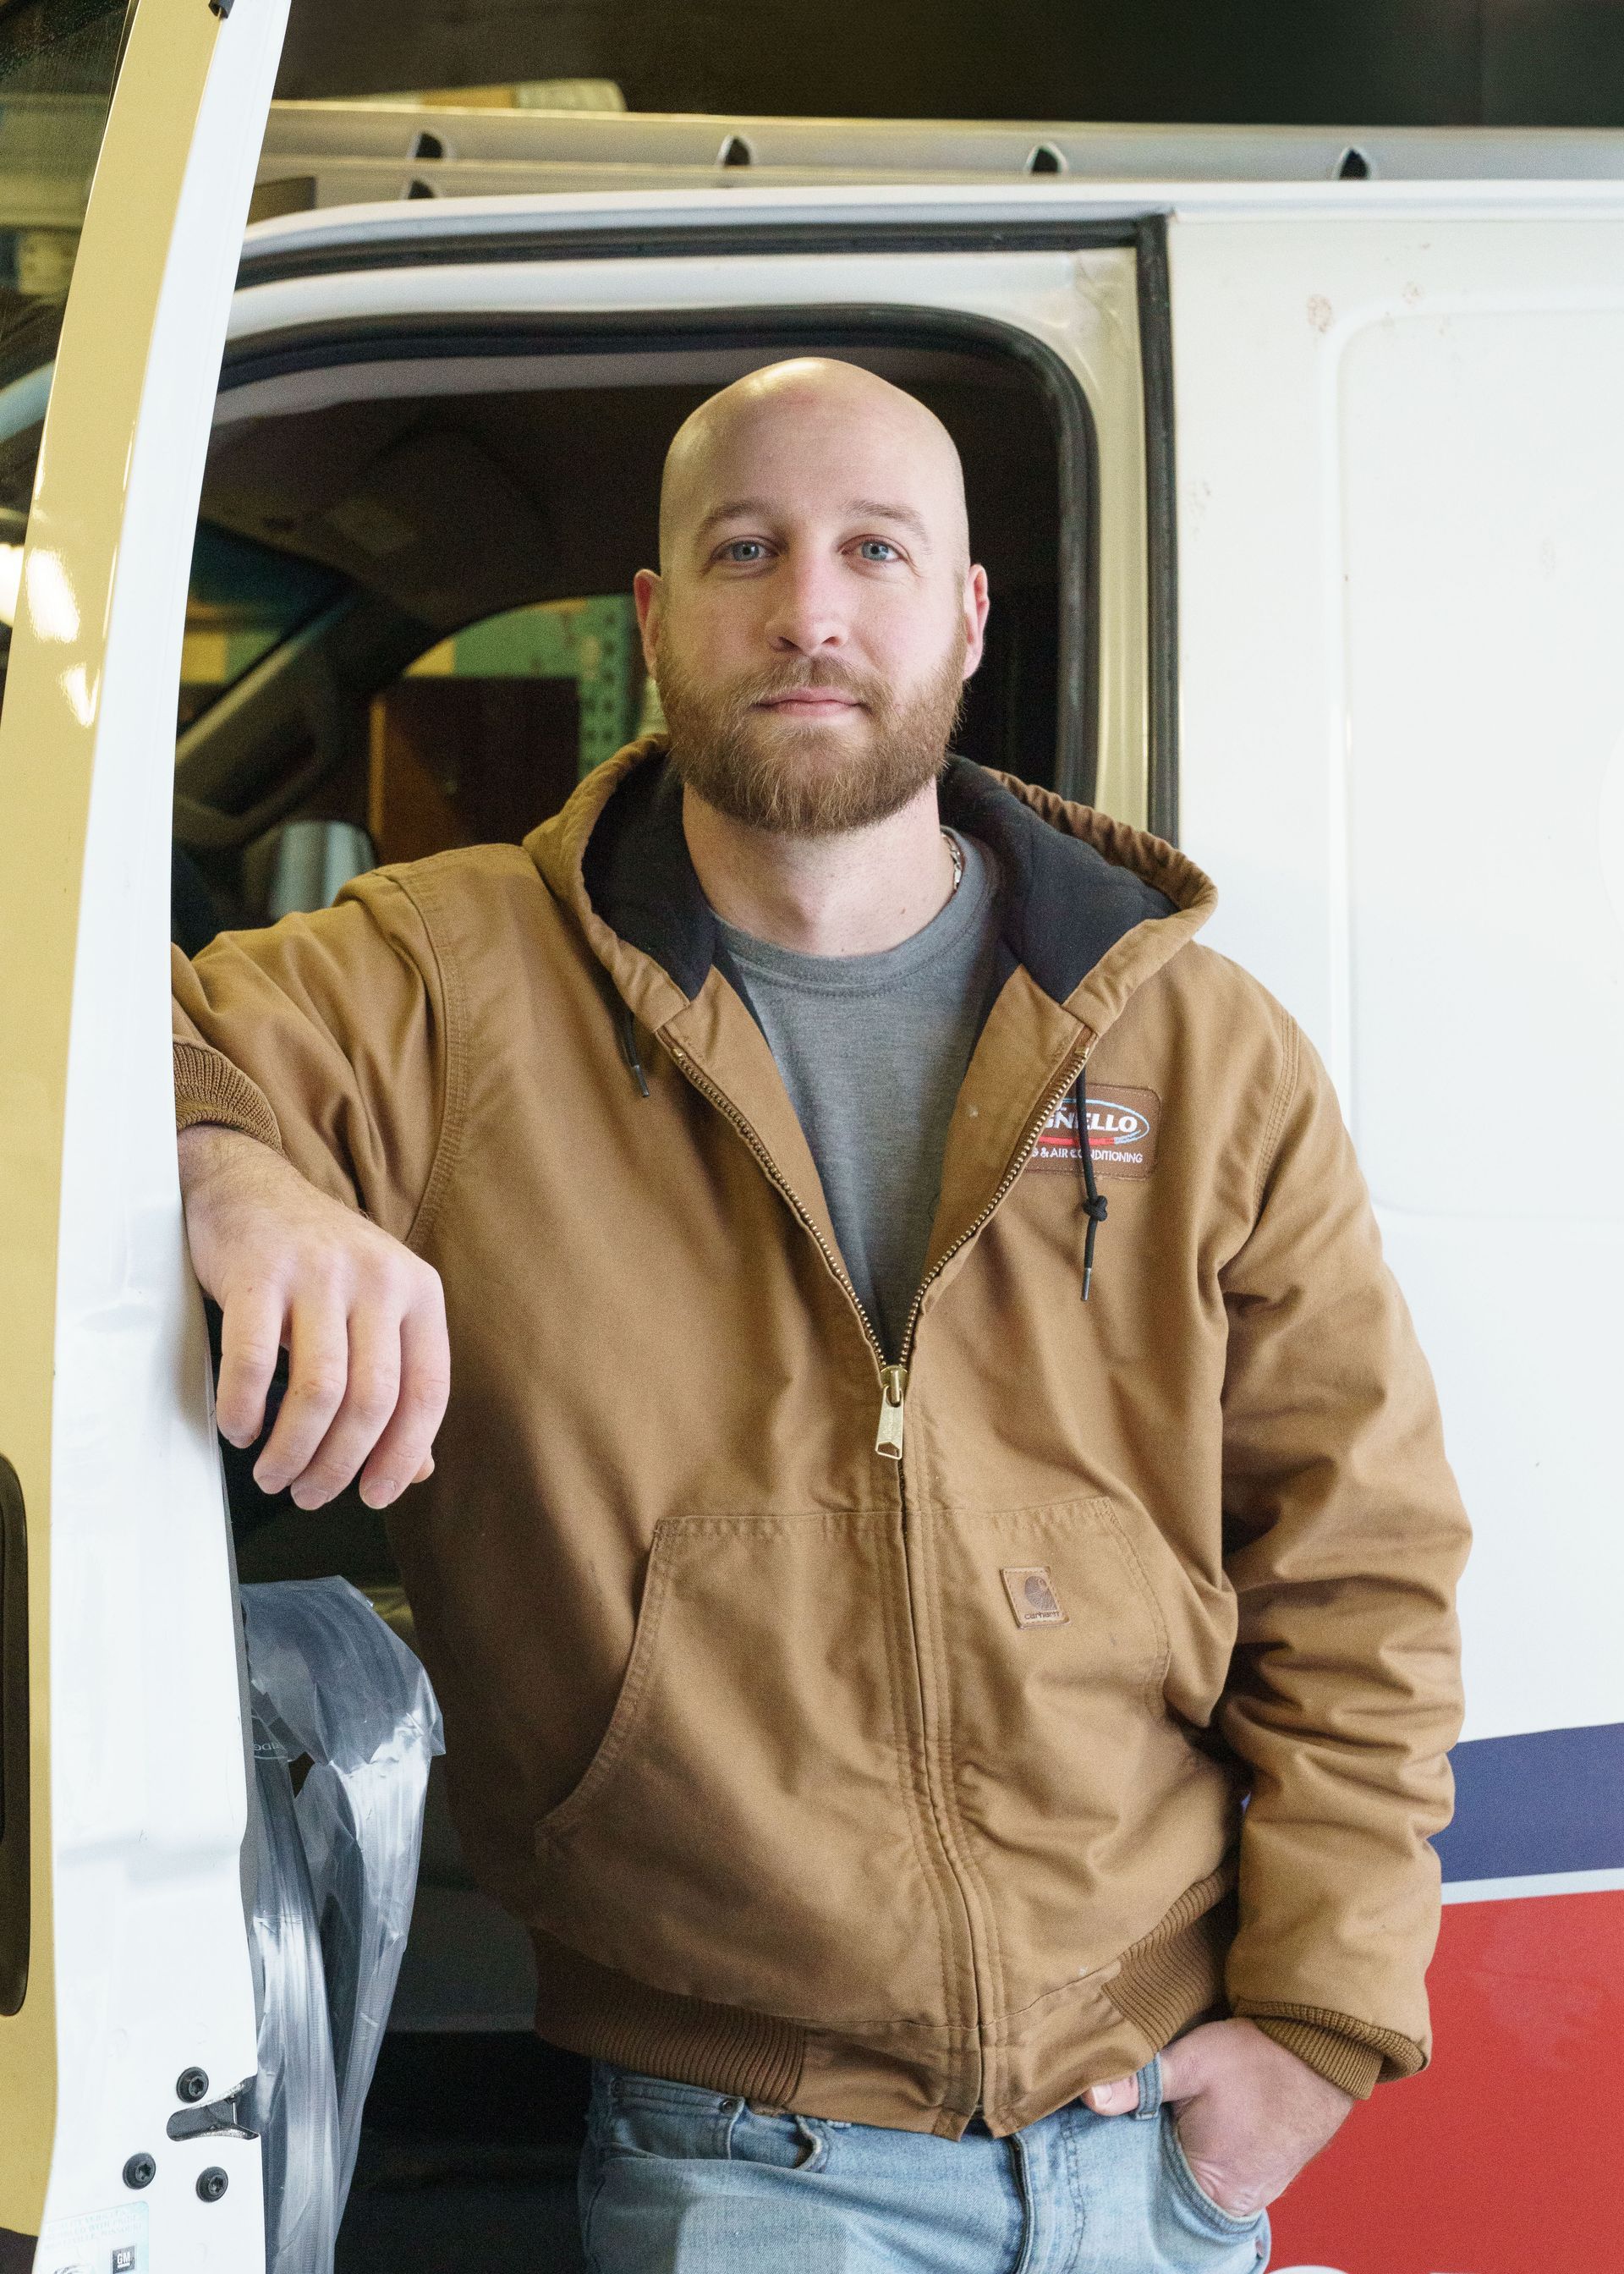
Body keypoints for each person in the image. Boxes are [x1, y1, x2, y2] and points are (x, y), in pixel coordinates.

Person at [172, 357, 1469, 2272]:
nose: (809, 610)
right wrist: (234, 1179)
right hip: (745, 2165)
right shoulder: (452, 983)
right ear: (655, 616)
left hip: (1156, 2147)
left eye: (875, 549)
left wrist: (1317, 2026)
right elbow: (84, 1037)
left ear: (964, 613)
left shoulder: (1193, 1043)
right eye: (746, 551)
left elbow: (1359, 1559)